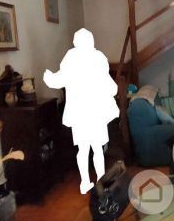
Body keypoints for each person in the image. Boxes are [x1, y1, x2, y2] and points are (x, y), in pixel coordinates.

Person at [44, 28, 119, 194]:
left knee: (84, 149)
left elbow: (59, 79)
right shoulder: (98, 57)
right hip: (95, 113)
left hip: (80, 114)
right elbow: (108, 83)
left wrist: (48, 77)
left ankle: (86, 182)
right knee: (97, 148)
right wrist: (113, 89)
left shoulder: (72, 58)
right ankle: (100, 180)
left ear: (76, 42)